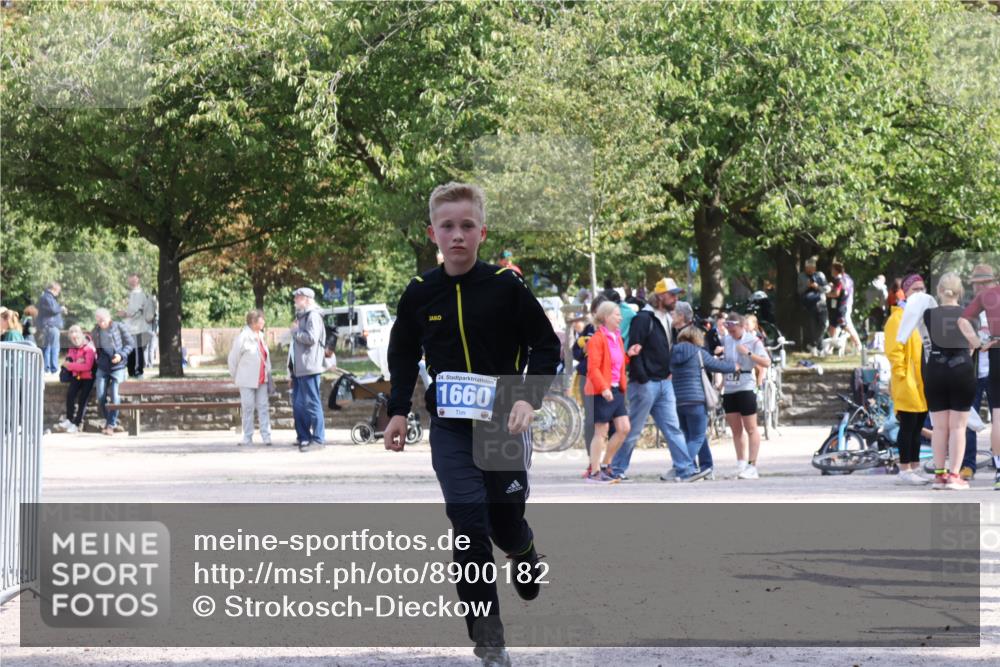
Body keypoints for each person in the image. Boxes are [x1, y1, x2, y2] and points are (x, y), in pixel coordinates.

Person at [384, 182, 560, 667]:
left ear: (481, 232)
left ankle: (523, 550)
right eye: (447, 227)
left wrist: (527, 397)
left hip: (502, 426)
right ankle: (489, 641)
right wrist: (399, 409)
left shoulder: (506, 287)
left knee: (504, 525)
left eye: (466, 226)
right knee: (468, 526)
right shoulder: (420, 293)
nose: (457, 235)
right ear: (433, 234)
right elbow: (402, 355)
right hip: (452, 430)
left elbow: (548, 347)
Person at [896, 273, 973, 490]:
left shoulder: (928, 313)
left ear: (938, 291)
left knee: (939, 428)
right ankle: (955, 476)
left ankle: (939, 476)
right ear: (960, 291)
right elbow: (973, 342)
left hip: (935, 372)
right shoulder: (968, 314)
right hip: (960, 371)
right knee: (958, 427)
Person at [609, 278, 688, 483]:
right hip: (645, 384)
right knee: (633, 429)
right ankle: (616, 468)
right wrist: (643, 378)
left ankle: (685, 468)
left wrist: (667, 371)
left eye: (676, 295)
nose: (675, 299)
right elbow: (634, 350)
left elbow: (666, 348)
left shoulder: (667, 318)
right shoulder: (644, 318)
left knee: (673, 428)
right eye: (672, 294)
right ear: (661, 296)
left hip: (663, 382)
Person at [585, 301, 642, 483]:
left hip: (617, 389)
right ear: (606, 317)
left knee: (624, 428)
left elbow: (614, 363)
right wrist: (604, 388)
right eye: (617, 314)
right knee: (601, 431)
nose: (620, 318)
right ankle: (594, 472)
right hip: (600, 390)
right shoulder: (597, 339)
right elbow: (593, 368)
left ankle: (605, 465)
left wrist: (628, 355)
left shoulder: (617, 338)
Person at [670, 325, 737, 481]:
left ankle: (697, 469)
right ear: (697, 338)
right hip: (696, 399)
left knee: (687, 436)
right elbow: (718, 366)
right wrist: (735, 366)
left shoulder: (672, 353)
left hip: (678, 401)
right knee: (698, 436)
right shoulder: (698, 353)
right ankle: (682, 466)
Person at [884, 274, 931, 486]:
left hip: (922, 380)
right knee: (908, 426)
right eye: (915, 290)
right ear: (905, 292)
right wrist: (901, 375)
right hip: (907, 380)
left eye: (922, 289)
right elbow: (894, 351)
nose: (919, 293)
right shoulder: (898, 318)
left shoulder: (923, 318)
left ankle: (915, 465)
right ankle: (904, 468)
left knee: (919, 424)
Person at [958, 264, 1000, 490]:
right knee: (968, 419)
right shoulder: (975, 306)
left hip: (994, 364)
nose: (974, 289)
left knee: (998, 418)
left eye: (976, 284)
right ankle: (968, 464)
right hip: (975, 371)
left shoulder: (988, 300)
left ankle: (998, 467)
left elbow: (962, 322)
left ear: (983, 283)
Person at [721, 314, 770, 479]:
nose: (731, 333)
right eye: (729, 330)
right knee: (735, 429)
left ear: (742, 326)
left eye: (734, 330)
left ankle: (752, 465)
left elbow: (766, 362)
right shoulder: (727, 340)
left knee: (751, 427)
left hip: (746, 385)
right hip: (729, 387)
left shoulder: (753, 341)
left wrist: (748, 353)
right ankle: (741, 463)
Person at [288, 287, 326, 451]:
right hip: (301, 368)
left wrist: (296, 332)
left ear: (306, 299)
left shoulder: (313, 315)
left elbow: (311, 338)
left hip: (309, 367)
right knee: (300, 404)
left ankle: (318, 439)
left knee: (312, 403)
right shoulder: (304, 315)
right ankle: (304, 437)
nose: (295, 300)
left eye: (298, 297)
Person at [228, 309, 273, 447]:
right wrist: (236, 376)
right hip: (246, 380)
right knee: (248, 408)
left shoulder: (261, 335)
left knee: (263, 407)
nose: (264, 321)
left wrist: (269, 376)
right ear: (253, 322)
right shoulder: (243, 337)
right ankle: (247, 437)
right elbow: (233, 359)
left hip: (262, 379)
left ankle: (266, 436)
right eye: (261, 319)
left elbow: (266, 358)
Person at [91, 308, 135, 436]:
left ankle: (110, 424)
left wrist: (121, 355)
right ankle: (111, 421)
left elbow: (130, 344)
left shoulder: (119, 327)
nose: (100, 323)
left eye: (102, 320)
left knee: (115, 396)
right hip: (103, 365)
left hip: (118, 366)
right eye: (98, 321)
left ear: (109, 318)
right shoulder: (96, 331)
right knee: (100, 396)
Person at [59, 325, 96, 433]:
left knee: (82, 400)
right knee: (70, 395)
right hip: (77, 375)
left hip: (88, 377)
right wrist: (76, 363)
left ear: (81, 334)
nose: (75, 338)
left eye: (76, 336)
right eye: (72, 337)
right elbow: (66, 362)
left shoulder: (89, 348)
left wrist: (71, 365)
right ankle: (69, 419)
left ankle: (77, 423)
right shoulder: (72, 348)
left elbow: (87, 366)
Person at [118, 273, 156, 378]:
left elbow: (138, 311)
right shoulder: (129, 294)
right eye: (130, 278)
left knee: (137, 349)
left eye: (134, 279)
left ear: (138, 280)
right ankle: (131, 372)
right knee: (130, 350)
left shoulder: (141, 294)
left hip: (137, 327)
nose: (131, 281)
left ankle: (138, 372)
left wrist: (125, 314)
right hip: (129, 327)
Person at [797, 258, 829, 356]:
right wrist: (807, 286)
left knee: (824, 324)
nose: (809, 270)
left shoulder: (820, 275)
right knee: (812, 327)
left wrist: (817, 287)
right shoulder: (802, 276)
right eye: (808, 268)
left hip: (821, 303)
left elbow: (826, 289)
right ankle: (817, 348)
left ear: (814, 268)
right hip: (809, 305)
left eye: (811, 268)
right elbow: (799, 291)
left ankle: (813, 344)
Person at [36, 281, 66, 374]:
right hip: (50, 326)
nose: (58, 294)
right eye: (58, 291)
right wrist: (61, 308)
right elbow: (53, 310)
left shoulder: (46, 297)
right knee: (54, 347)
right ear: (54, 289)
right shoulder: (47, 297)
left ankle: (47, 368)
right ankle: (53, 368)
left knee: (48, 347)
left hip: (48, 326)